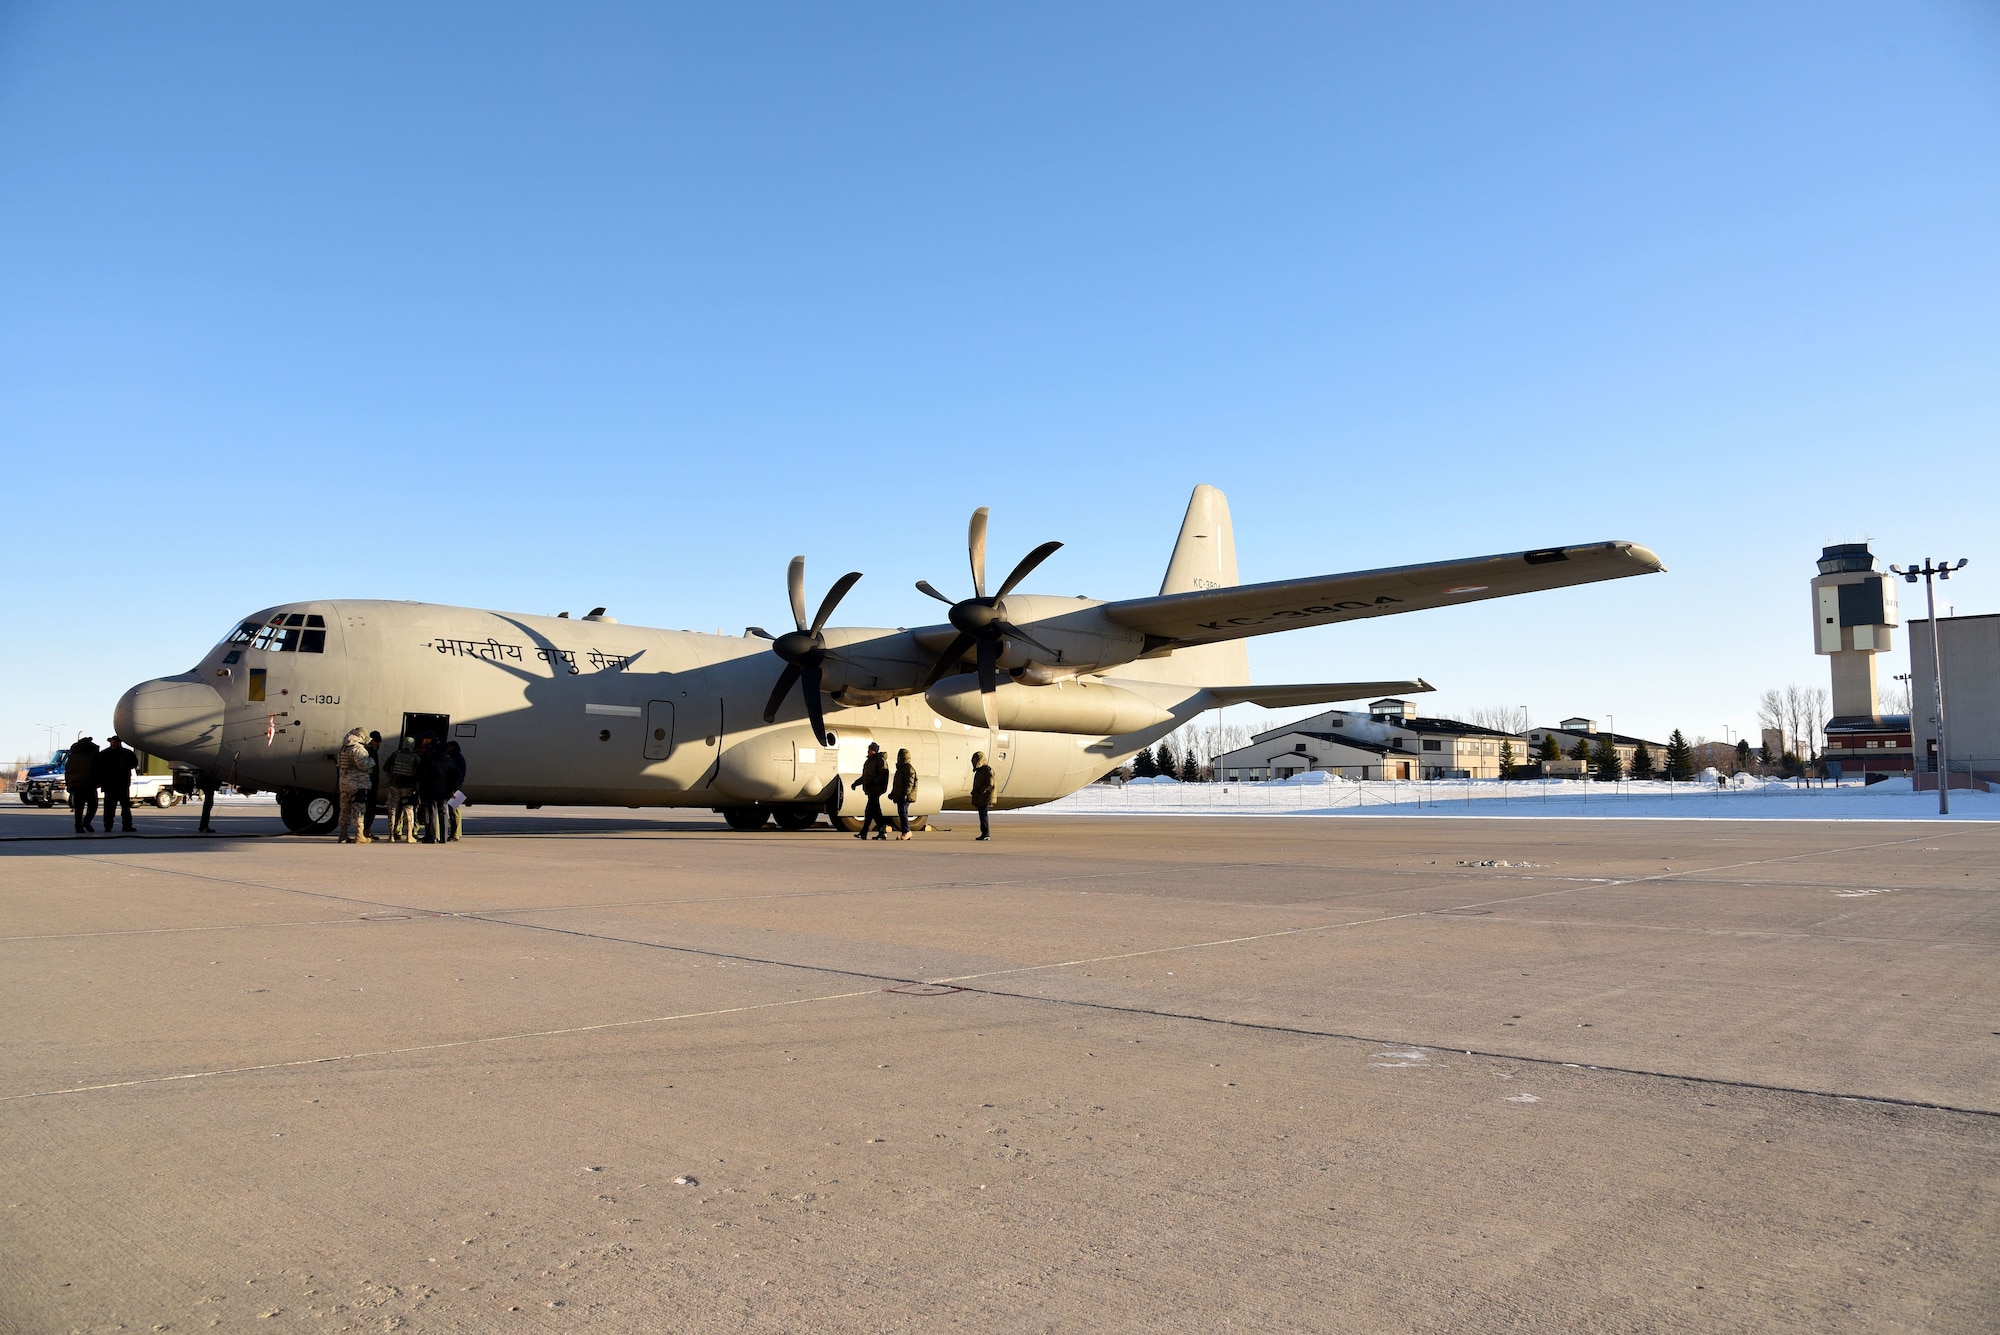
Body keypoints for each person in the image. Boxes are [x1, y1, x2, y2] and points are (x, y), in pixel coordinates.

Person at [334, 727, 375, 843]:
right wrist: (372, 760)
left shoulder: (343, 748)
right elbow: (363, 765)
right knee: (359, 809)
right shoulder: (358, 749)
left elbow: (339, 764)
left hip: (344, 783)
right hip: (358, 784)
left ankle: (342, 835)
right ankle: (359, 835)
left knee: (344, 810)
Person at [382, 736, 423, 842]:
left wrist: (391, 778)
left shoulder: (395, 754)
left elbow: (386, 768)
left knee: (392, 810)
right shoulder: (415, 757)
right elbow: (420, 773)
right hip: (408, 787)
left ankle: (391, 835)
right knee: (408, 810)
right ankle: (409, 836)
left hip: (394, 786)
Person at [97, 735, 138, 834]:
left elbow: (134, 763)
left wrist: (124, 766)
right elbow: (98, 767)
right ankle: (108, 826)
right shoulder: (104, 754)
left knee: (125, 807)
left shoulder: (126, 753)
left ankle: (126, 825)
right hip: (110, 785)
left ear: (119, 743)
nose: (113, 744)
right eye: (112, 742)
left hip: (122, 784)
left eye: (115, 742)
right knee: (109, 808)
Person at [851, 742, 892, 841]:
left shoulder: (879, 761)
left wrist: (873, 782)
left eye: (870, 749)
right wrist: (856, 783)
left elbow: (883, 774)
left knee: (870, 812)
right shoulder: (869, 761)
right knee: (873, 812)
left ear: (874, 750)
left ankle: (866, 832)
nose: (868, 751)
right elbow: (865, 777)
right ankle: (877, 832)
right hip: (871, 790)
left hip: (875, 790)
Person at [417, 735, 454, 844]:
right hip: (444, 791)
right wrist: (452, 788)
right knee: (444, 812)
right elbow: (456, 775)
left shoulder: (430, 761)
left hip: (432, 790)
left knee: (432, 813)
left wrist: (422, 791)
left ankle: (432, 836)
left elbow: (423, 776)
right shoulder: (449, 761)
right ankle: (443, 837)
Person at [64, 736, 100, 835]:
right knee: (93, 806)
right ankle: (86, 822)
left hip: (76, 785)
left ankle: (78, 825)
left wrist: (69, 784)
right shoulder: (93, 754)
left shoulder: (73, 756)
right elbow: (98, 769)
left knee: (78, 808)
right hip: (89, 784)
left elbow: (67, 771)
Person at [890, 747, 918, 841]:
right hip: (901, 795)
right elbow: (897, 784)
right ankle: (905, 832)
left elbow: (909, 782)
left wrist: (906, 793)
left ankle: (907, 832)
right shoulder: (901, 768)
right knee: (902, 813)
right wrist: (893, 793)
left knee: (903, 813)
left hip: (904, 796)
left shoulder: (907, 768)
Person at [444, 740, 468, 841]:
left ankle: (455, 834)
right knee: (455, 811)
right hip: (457, 787)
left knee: (455, 811)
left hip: (456, 788)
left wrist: (453, 789)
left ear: (452, 747)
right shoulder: (458, 757)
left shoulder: (455, 758)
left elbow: (458, 776)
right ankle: (456, 833)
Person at [361, 731, 384, 840]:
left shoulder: (366, 750)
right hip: (369, 784)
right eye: (377, 742)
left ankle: (365, 831)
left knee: (367, 808)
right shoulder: (369, 751)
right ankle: (365, 831)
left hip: (368, 783)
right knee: (369, 809)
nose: (378, 745)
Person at [970, 751, 995, 841]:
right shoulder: (979, 771)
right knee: (982, 815)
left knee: (983, 815)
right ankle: (984, 833)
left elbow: (990, 783)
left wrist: (981, 791)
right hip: (980, 797)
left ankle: (986, 834)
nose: (974, 762)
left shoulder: (987, 770)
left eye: (976, 760)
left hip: (985, 797)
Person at [195, 769, 220, 835]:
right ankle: (204, 826)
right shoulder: (209, 772)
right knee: (208, 805)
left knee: (208, 805)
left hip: (207, 785)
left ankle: (204, 826)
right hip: (208, 785)